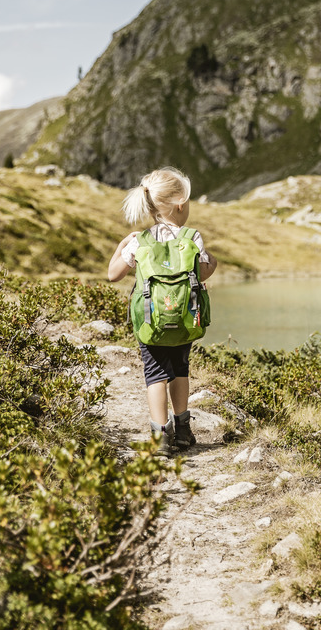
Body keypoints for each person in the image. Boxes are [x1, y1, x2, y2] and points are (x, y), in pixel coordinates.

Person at [107, 167, 217, 454]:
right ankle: (183, 430)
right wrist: (212, 262)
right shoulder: (192, 238)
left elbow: (113, 275)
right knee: (180, 369)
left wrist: (121, 246)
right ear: (181, 203)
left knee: (155, 373)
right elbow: (201, 273)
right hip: (184, 320)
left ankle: (160, 437)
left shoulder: (139, 241)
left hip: (150, 322)